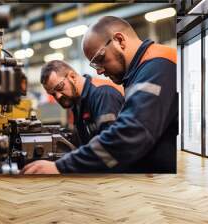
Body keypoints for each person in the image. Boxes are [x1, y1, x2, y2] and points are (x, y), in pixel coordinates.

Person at [21, 16, 177, 174]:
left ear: (119, 40)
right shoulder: (137, 74)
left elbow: (130, 135)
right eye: (95, 64)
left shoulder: (157, 66)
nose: (99, 71)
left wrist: (62, 167)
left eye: (100, 59)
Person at [40, 60, 124, 146]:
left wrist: (69, 160)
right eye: (53, 94)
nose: (57, 96)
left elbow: (112, 144)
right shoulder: (77, 102)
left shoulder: (103, 95)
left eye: (60, 87)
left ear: (72, 76)